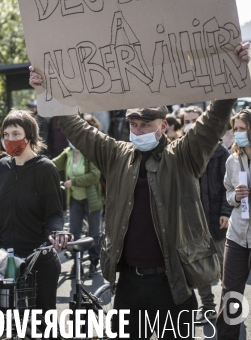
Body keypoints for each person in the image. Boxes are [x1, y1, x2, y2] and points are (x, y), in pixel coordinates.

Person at [30, 41, 251, 339]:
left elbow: (214, 119)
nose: (138, 130)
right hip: (129, 286)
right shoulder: (116, 155)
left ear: (163, 126)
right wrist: (47, 92)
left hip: (173, 285)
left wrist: (234, 72)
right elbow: (77, 128)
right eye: (133, 124)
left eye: (146, 125)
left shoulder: (183, 155)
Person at [0, 109, 70, 314]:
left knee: (42, 326)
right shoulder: (2, 166)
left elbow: (55, 212)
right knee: (9, 323)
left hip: (39, 258)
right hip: (6, 261)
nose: (9, 139)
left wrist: (56, 233)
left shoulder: (46, 168)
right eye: (6, 135)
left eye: (16, 134)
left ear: (30, 136)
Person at [180, 109, 232, 324]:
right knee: (199, 266)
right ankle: (208, 307)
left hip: (215, 219)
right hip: (192, 222)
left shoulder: (220, 154)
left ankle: (229, 309)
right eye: (187, 122)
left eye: (194, 121)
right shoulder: (181, 152)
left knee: (224, 268)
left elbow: (227, 187)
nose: (190, 125)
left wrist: (225, 213)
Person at [52, 114, 103, 277]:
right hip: (75, 199)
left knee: (94, 232)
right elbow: (52, 165)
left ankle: (95, 261)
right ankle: (76, 264)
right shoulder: (68, 153)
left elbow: (95, 176)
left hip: (92, 200)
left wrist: (73, 181)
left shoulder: (90, 153)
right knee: (73, 232)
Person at [216, 108, 251, 340]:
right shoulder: (232, 160)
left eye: (242, 129)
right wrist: (236, 197)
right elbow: (227, 193)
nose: (238, 133)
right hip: (237, 236)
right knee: (231, 295)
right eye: (235, 129)